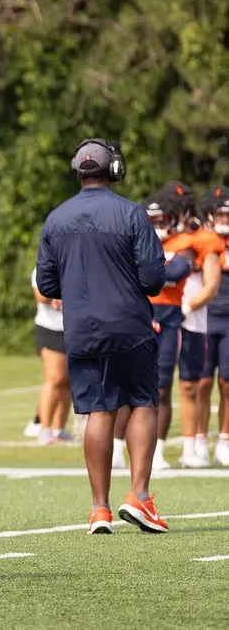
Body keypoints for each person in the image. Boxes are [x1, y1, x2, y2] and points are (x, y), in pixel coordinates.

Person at [36, 139, 186, 535]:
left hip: (82, 328)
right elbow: (155, 279)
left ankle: (99, 508)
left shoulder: (56, 219)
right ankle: (139, 495)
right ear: (114, 170)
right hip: (130, 324)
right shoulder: (132, 213)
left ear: (77, 171)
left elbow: (48, 282)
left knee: (97, 411)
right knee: (142, 403)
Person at [113, 186, 198, 471]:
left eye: (162, 220)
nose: (157, 226)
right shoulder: (135, 240)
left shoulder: (184, 242)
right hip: (138, 314)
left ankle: (157, 451)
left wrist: (150, 268)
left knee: (161, 387)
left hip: (170, 317)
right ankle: (115, 448)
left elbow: (175, 272)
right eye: (153, 221)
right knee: (126, 384)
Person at [176, 192, 224, 468]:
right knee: (189, 384)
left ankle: (204, 444)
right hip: (185, 317)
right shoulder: (183, 240)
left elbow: (211, 282)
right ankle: (192, 442)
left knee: (207, 383)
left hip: (204, 318)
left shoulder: (208, 241)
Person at [198, 186, 229, 466]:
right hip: (205, 317)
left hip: (228, 318)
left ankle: (224, 439)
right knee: (202, 382)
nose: (224, 219)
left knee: (227, 382)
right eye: (219, 213)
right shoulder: (201, 240)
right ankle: (197, 440)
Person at [31, 268, 70, 444]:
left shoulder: (76, 263)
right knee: (55, 379)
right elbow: (40, 296)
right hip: (50, 329)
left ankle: (59, 429)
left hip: (73, 328)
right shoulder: (43, 267)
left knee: (68, 382)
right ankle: (44, 429)